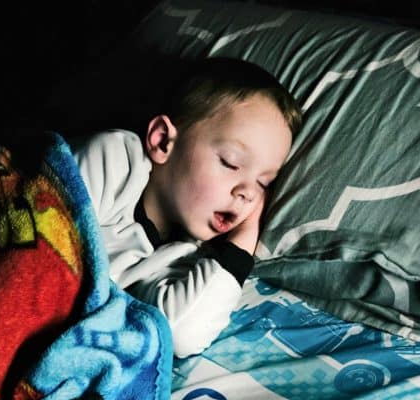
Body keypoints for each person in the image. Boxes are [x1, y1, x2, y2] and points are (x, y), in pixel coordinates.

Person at [73, 57, 302, 360]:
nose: (247, 192)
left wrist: (243, 242)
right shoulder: (115, 160)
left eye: (263, 183)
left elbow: (180, 333)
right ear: (163, 141)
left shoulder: (184, 257)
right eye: (231, 163)